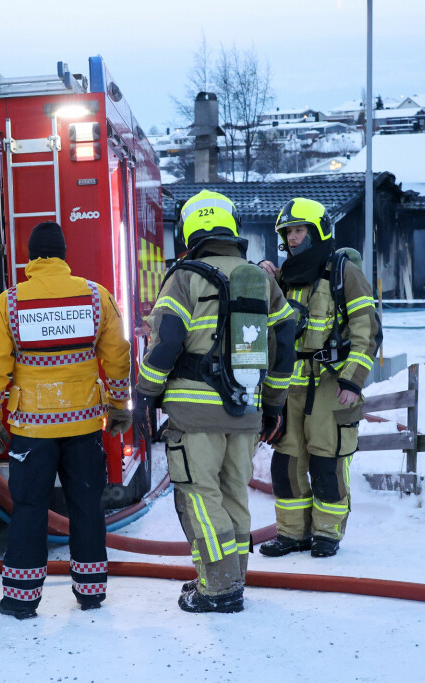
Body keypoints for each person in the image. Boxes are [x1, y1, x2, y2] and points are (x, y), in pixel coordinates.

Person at [137, 190, 296, 614]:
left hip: (194, 416)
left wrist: (145, 394)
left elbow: (167, 341)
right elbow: (286, 343)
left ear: (190, 229)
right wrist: (274, 405)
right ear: (232, 225)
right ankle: (228, 579)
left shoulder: (184, 277)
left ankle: (220, 589)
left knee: (199, 496)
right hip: (247, 411)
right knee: (233, 497)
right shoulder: (260, 279)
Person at [0, 221, 133, 620]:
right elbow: (117, 356)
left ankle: (20, 599)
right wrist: (118, 405)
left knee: (29, 508)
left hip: (32, 430)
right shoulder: (95, 297)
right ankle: (91, 592)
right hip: (83, 426)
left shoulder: (11, 303)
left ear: (31, 257)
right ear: (64, 254)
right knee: (86, 506)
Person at [259, 197, 379, 560]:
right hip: (292, 385)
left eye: (298, 231)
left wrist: (352, 381)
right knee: (286, 464)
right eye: (287, 233)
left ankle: (327, 535)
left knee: (326, 463)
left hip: (332, 383)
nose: (292, 239)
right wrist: (262, 281)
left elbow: (367, 331)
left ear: (317, 230)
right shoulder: (283, 278)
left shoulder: (344, 273)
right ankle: (293, 534)